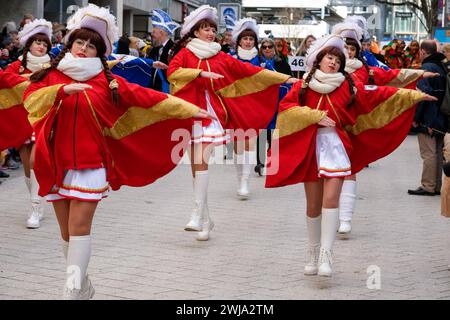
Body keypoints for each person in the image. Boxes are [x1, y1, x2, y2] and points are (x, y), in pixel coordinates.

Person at [23, 4, 212, 300]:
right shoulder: (52, 75)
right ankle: (82, 284)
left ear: (100, 51)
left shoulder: (108, 81)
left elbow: (151, 98)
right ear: (70, 43)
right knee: (66, 233)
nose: (84, 48)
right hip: (55, 162)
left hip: (91, 164)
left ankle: (70, 292)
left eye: (91, 45)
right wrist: (61, 92)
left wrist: (191, 109)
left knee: (79, 226)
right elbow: (30, 100)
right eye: (80, 42)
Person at [265, 34, 437, 277]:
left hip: (336, 147)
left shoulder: (348, 85)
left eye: (337, 59)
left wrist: (414, 95)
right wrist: (311, 116)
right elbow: (286, 109)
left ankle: (326, 255)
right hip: (310, 148)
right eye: (329, 58)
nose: (333, 62)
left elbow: (379, 93)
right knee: (313, 205)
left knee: (331, 200)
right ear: (318, 60)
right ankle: (312, 252)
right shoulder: (302, 86)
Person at [167, 5, 297, 241]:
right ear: (195, 32)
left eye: (212, 29)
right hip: (189, 112)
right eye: (204, 29)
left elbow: (249, 71)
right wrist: (198, 74)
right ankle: (206, 220)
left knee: (201, 160)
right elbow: (172, 73)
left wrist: (283, 78)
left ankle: (197, 213)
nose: (209, 32)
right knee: (197, 166)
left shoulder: (220, 56)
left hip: (211, 115)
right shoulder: (185, 54)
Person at [332, 22, 436, 235]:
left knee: (349, 170)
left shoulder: (366, 70)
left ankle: (345, 218)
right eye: (345, 49)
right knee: (328, 174)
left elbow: (392, 76)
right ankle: (328, 216)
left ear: (357, 51)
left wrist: (420, 75)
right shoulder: (327, 68)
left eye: (352, 49)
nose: (348, 53)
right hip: (329, 127)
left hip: (356, 127)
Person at [5, 18, 53, 228]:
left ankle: (35, 207)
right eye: (38, 42)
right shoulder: (18, 65)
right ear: (29, 44)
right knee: (27, 166)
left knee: (35, 161)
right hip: (22, 120)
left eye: (45, 43)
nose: (41, 46)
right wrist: (26, 81)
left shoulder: (54, 65)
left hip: (44, 119)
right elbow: (5, 81)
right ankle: (37, 201)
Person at [408, 40, 448, 196]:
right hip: (442, 117)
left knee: (428, 153)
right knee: (437, 153)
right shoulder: (442, 67)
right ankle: (436, 186)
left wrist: (417, 118)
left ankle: (428, 185)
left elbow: (422, 96)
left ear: (423, 52)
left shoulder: (426, 69)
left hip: (429, 117)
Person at [230, 18, 261, 198]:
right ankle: (239, 176)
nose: (248, 42)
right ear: (239, 41)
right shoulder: (231, 59)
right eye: (245, 38)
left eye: (251, 39)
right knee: (237, 145)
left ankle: (245, 181)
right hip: (235, 105)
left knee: (249, 141)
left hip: (253, 105)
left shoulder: (261, 60)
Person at [255, 37, 292, 175]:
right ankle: (260, 162)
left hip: (278, 101)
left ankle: (272, 161)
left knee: (274, 133)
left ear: (274, 49)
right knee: (262, 132)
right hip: (262, 103)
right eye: (264, 47)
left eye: (270, 46)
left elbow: (290, 79)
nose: (267, 49)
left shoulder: (282, 63)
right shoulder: (256, 62)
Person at [148, 9, 179, 93]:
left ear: (161, 32)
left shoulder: (176, 49)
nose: (152, 35)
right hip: (153, 92)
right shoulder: (153, 50)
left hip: (168, 92)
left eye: (154, 32)